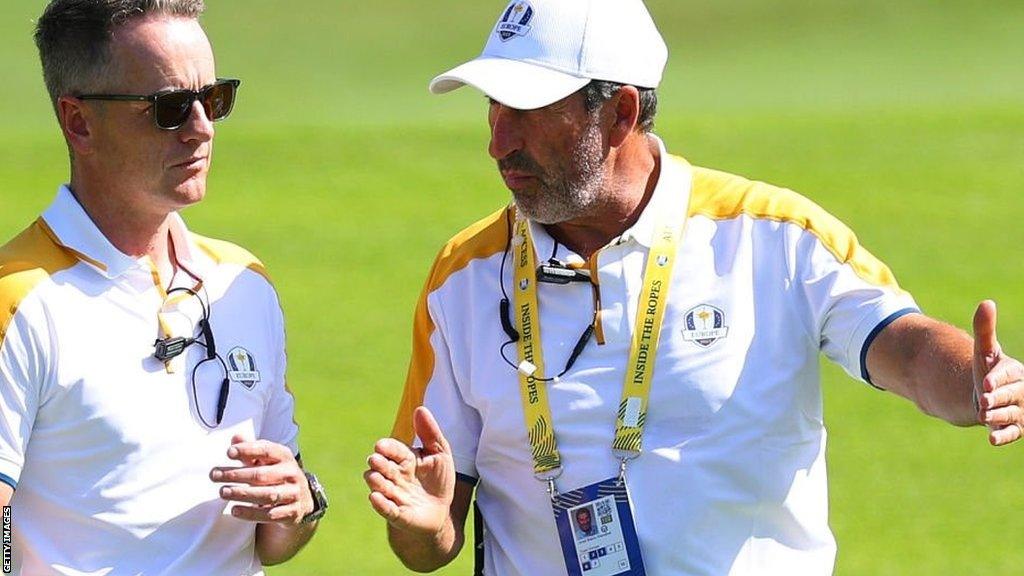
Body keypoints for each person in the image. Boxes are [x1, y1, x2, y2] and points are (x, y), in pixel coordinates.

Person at [364, 0, 1024, 574]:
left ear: (619, 113)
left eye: (528, 113)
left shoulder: (774, 234)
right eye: (493, 108)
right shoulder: (462, 276)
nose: (497, 143)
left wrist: (973, 381)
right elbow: (430, 532)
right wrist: (420, 526)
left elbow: (903, 348)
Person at [0, 1, 327, 573]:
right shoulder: (17, 301)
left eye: (215, 99)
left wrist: (298, 504)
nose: (202, 128)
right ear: (79, 122)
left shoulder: (243, 285)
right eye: (170, 108)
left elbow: (272, 536)